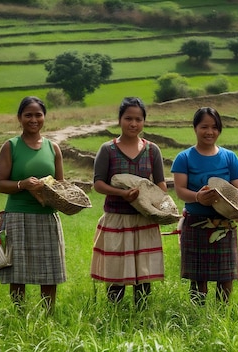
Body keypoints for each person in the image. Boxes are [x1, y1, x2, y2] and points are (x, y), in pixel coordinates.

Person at [90, 97, 167, 309]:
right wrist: (121, 194)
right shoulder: (108, 150)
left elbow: (160, 184)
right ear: (119, 120)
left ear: (144, 121)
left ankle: (141, 315)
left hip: (145, 219)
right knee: (117, 271)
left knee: (144, 273)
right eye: (128, 119)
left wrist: (160, 203)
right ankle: (114, 313)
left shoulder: (152, 150)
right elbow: (98, 184)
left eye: (138, 119)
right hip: (117, 219)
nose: (133, 124)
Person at [171, 106, 238, 305]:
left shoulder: (229, 157)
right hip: (196, 223)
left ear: (220, 130)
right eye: (204, 126)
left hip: (224, 223)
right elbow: (180, 190)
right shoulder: (184, 158)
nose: (209, 132)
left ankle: (223, 314)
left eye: (214, 127)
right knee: (199, 277)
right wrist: (198, 197)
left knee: (226, 277)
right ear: (195, 128)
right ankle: (198, 315)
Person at [0, 96, 66, 314]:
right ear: (19, 118)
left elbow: (61, 186)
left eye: (38, 115)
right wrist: (22, 184)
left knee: (50, 270)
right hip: (17, 216)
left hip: (46, 215)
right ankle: (19, 314)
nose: (33, 119)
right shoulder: (11, 146)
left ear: (44, 117)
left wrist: (50, 191)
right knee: (18, 272)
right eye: (28, 115)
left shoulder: (53, 148)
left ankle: (48, 314)